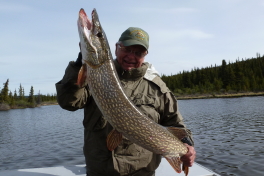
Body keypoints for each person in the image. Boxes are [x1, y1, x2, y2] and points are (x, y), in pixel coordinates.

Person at [56, 27, 196, 176]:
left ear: (145, 55)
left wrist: (187, 145)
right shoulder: (96, 75)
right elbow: (68, 102)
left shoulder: (157, 88)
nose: (131, 56)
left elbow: (177, 125)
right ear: (116, 48)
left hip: (141, 172)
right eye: (127, 49)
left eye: (138, 53)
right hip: (99, 171)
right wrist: (79, 64)